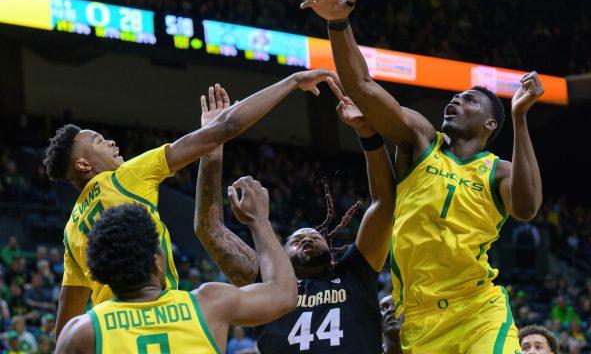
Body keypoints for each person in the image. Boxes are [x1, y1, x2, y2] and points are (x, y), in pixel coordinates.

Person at [301, 0, 545, 353]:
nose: (456, 100)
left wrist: (521, 116)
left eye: (469, 100)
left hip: (477, 310)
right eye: (455, 96)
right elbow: (364, 87)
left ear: (490, 123)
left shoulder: (499, 170)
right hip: (415, 317)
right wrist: (338, 23)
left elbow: (527, 209)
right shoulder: (420, 140)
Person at [43, 70, 332, 337]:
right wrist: (293, 81)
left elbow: (64, 326)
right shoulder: (124, 177)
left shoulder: (71, 231)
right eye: (99, 141)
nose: (111, 142)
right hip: (162, 314)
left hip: (111, 330)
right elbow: (229, 126)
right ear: (83, 164)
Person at [195, 81, 398, 353]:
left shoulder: (355, 272)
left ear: (332, 250)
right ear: (279, 255)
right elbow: (210, 230)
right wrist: (211, 142)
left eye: (315, 236)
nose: (307, 238)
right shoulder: (266, 283)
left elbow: (384, 203)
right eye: (296, 239)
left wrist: (367, 133)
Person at [55, 181, 298, 354]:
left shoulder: (82, 332)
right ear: (156, 262)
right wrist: (259, 221)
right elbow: (284, 293)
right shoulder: (209, 304)